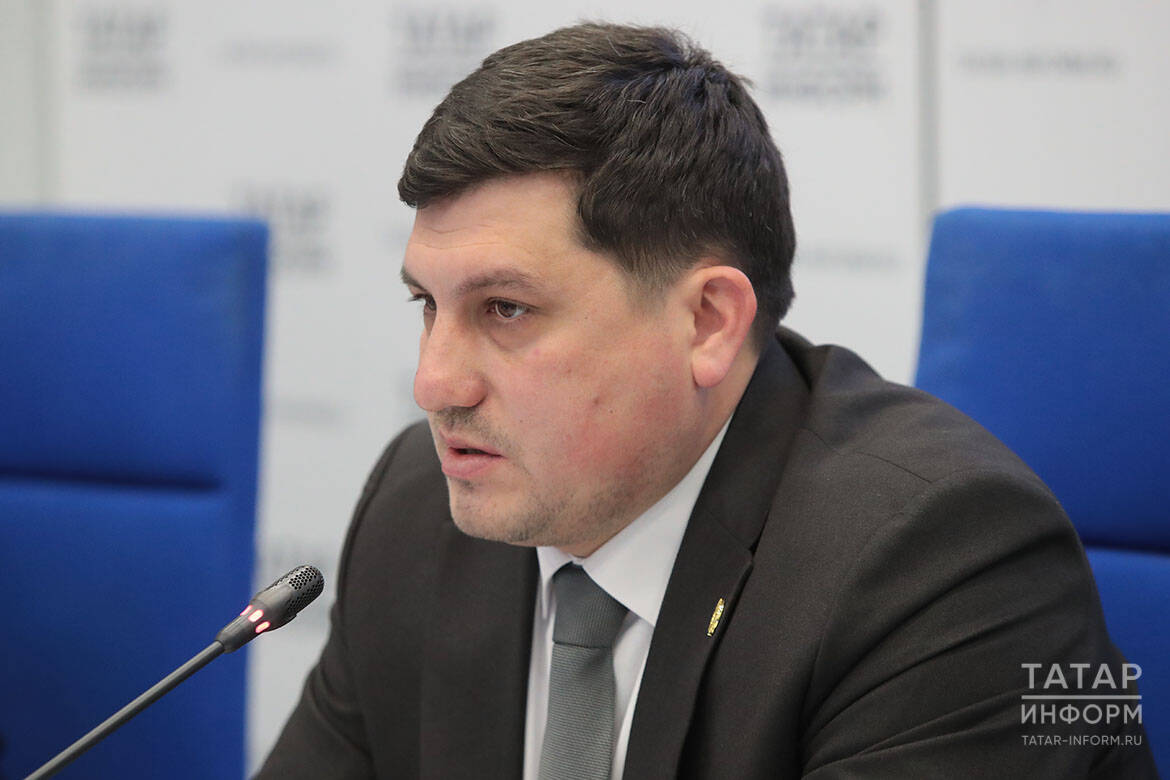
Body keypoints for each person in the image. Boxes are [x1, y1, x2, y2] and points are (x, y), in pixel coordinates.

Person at [256, 22, 1156, 779]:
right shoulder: (419, 510)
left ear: (708, 322)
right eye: (427, 304)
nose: (433, 384)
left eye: (506, 309)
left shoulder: (939, 565)